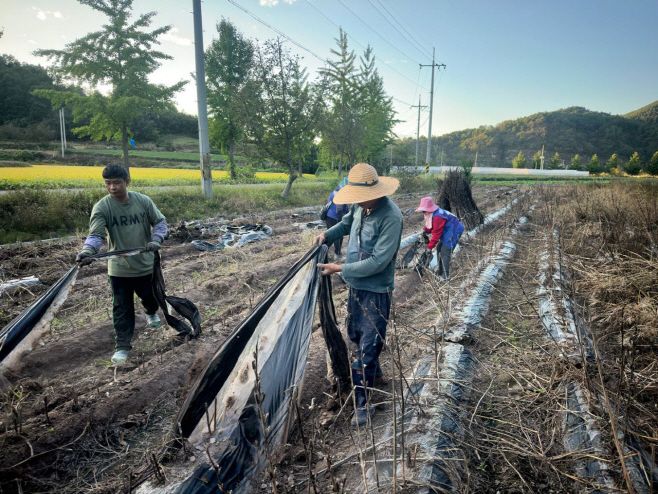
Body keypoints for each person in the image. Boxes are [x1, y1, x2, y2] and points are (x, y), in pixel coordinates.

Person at [313, 163, 402, 427]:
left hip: (376, 291)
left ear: (376, 191)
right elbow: (345, 224)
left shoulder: (391, 217)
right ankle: (376, 374)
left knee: (367, 346)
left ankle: (364, 404)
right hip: (355, 286)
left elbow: (378, 262)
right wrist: (326, 236)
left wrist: (340, 267)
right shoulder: (360, 207)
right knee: (355, 334)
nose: (358, 201)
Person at [75, 164, 168, 364]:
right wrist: (88, 251)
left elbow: (160, 222)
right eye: (108, 183)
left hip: (145, 264)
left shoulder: (143, 201)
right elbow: (96, 235)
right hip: (119, 269)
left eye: (116, 183)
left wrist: (156, 239)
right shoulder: (102, 207)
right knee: (121, 307)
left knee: (151, 298)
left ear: (127, 182)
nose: (112, 188)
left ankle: (150, 311)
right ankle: (123, 347)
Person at [416, 196, 465, 279]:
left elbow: (436, 234)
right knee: (439, 248)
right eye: (422, 210)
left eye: (424, 210)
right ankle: (440, 271)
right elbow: (432, 226)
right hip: (448, 229)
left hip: (454, 230)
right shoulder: (431, 213)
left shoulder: (438, 216)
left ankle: (445, 275)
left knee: (445, 251)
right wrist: (425, 231)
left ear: (430, 208)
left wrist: (429, 248)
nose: (423, 212)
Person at [324, 177, 349, 257]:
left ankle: (323, 251)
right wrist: (342, 219)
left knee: (330, 234)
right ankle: (337, 254)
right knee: (338, 235)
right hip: (335, 217)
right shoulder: (341, 194)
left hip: (329, 216)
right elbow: (339, 209)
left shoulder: (335, 191)